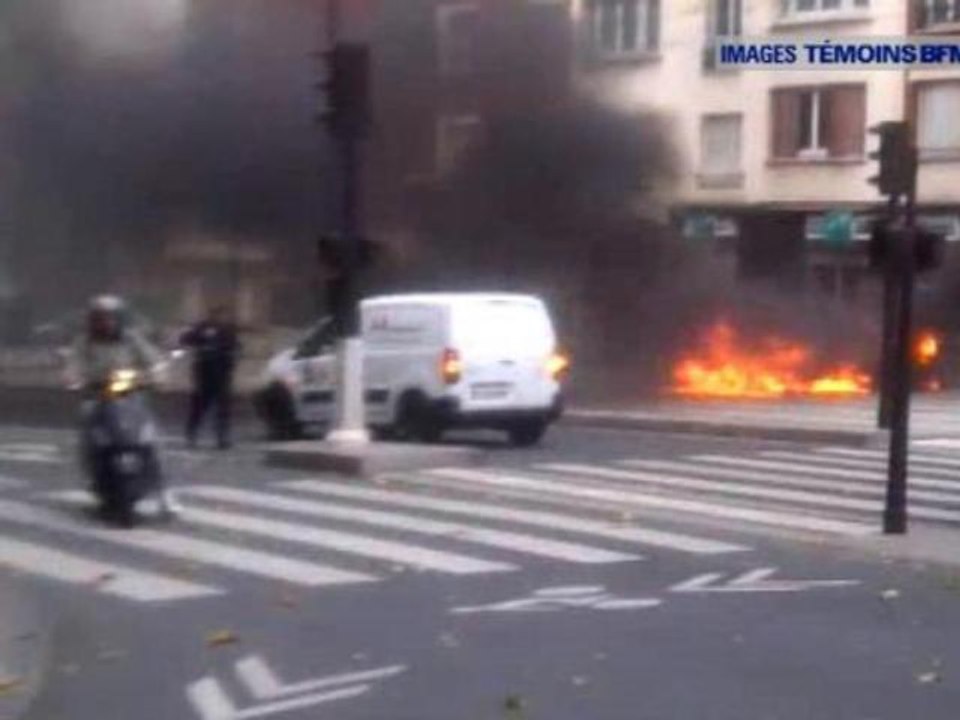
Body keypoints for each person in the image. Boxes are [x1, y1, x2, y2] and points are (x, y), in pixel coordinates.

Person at [68, 295, 181, 517]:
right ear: (93, 320)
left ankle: (164, 494)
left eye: (111, 318)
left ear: (119, 319)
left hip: (131, 396)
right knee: (86, 429)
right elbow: (74, 365)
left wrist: (159, 375)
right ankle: (92, 476)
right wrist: (74, 378)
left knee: (152, 439)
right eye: (100, 318)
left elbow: (155, 361)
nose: (106, 323)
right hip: (97, 396)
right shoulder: (84, 342)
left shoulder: (131, 339)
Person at [179, 305, 240, 449]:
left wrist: (231, 357)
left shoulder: (229, 330)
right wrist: (200, 348)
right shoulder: (201, 328)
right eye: (220, 315)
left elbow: (235, 348)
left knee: (223, 408)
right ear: (213, 316)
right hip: (204, 374)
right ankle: (191, 435)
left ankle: (222, 436)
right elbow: (186, 339)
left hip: (222, 375)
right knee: (199, 407)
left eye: (225, 316)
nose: (222, 318)